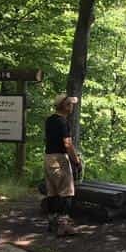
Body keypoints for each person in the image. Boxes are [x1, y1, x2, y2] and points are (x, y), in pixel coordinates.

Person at [44, 93, 82, 236]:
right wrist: (76, 161)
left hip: (48, 158)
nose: (72, 106)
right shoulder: (62, 122)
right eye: (70, 104)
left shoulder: (49, 120)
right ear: (65, 106)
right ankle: (64, 225)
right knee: (67, 192)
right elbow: (67, 144)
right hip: (59, 159)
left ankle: (52, 222)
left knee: (52, 192)